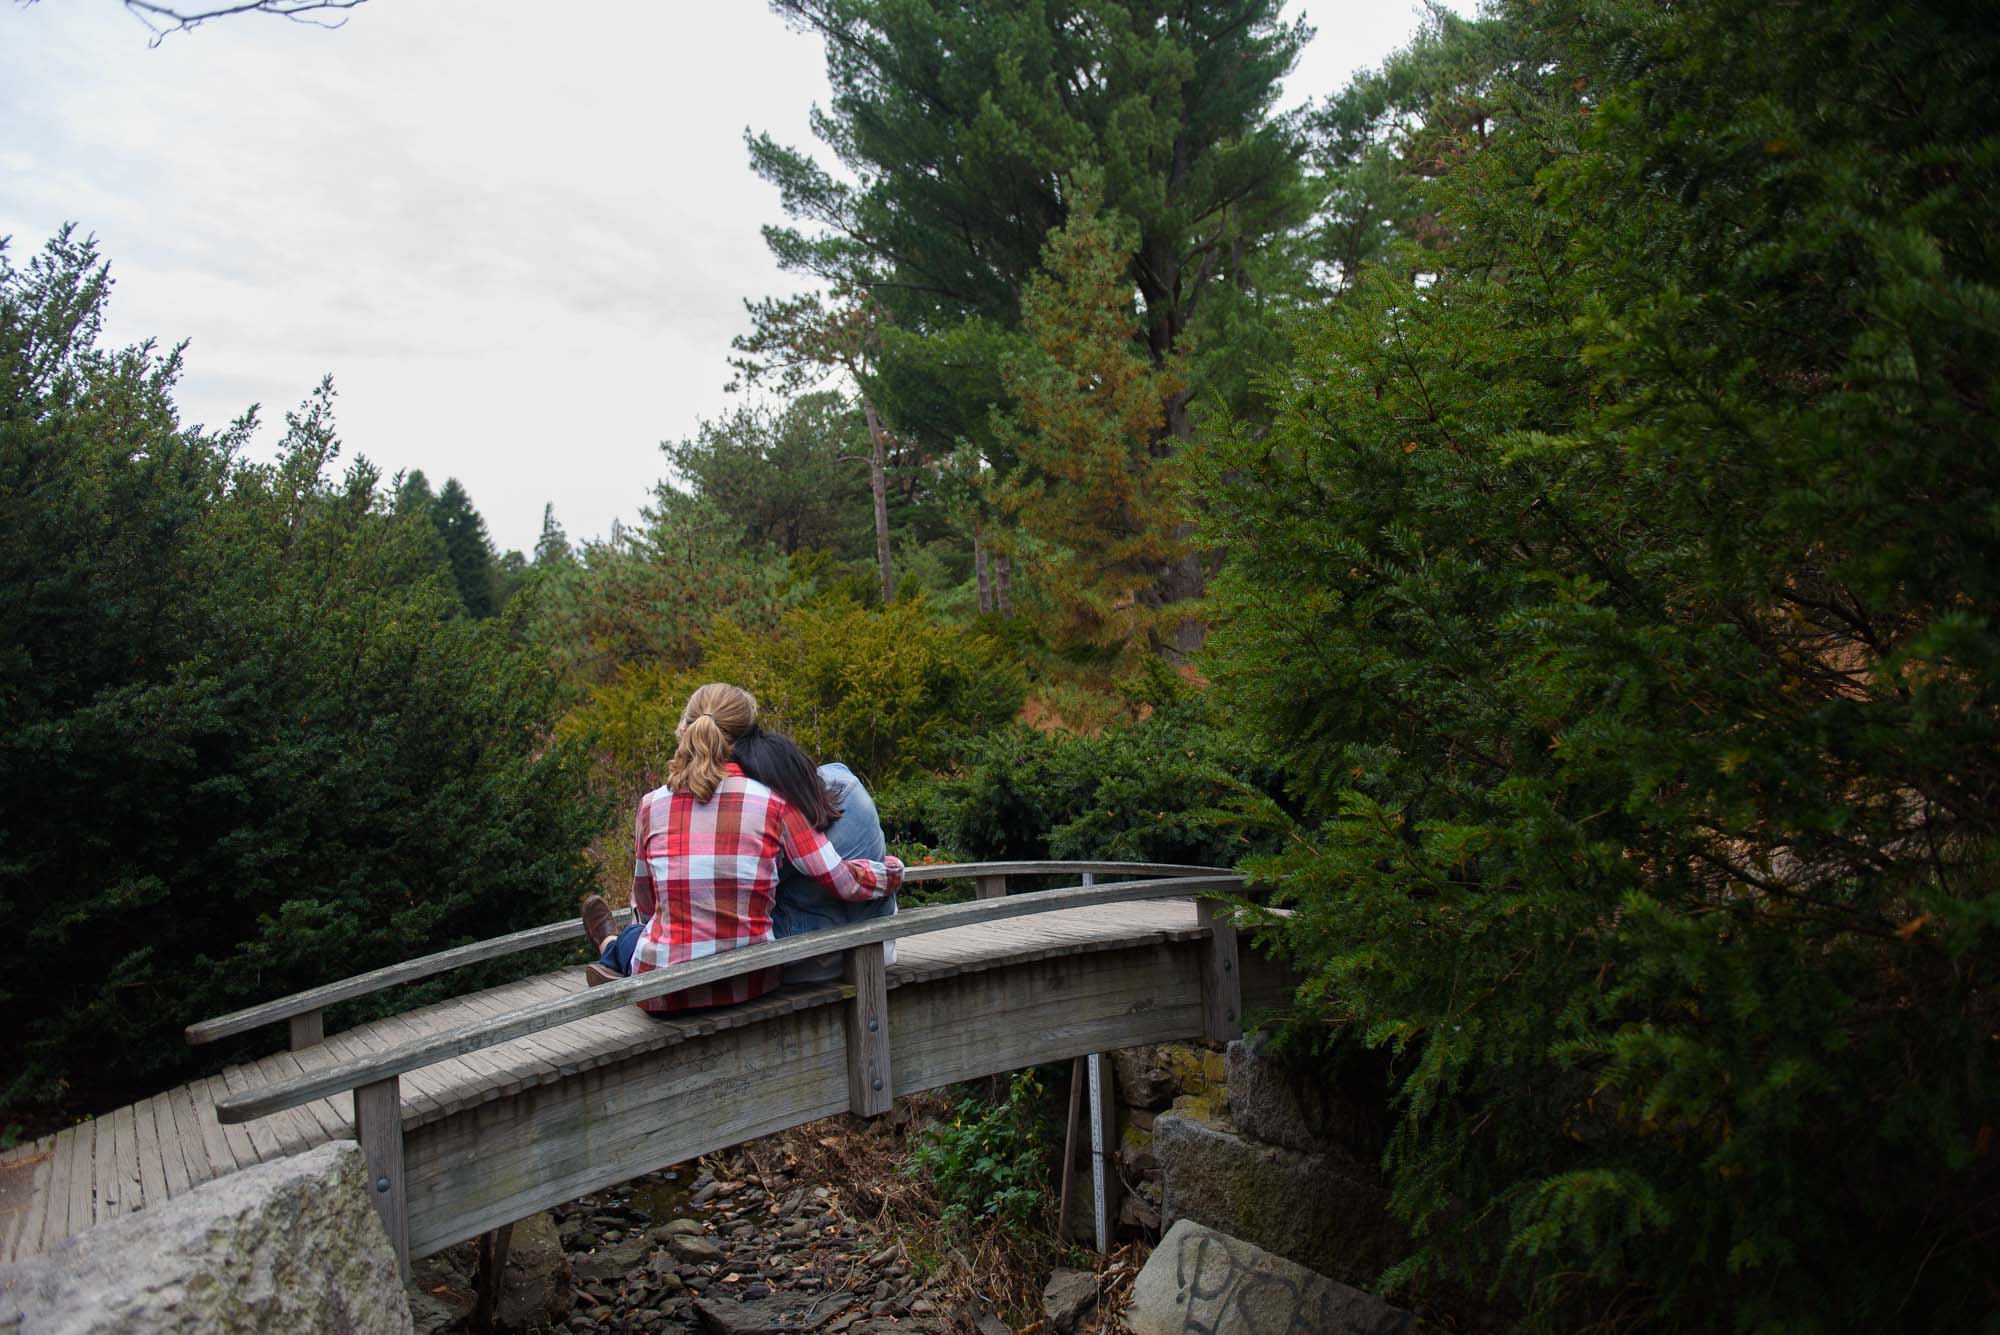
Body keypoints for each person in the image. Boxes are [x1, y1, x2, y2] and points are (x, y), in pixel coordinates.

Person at [578, 682, 901, 1012]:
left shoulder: (650, 805)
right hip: (750, 983)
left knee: (637, 934)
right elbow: (843, 881)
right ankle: (614, 946)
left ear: (684, 730)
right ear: (748, 736)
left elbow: (647, 902)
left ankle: (612, 946)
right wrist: (890, 872)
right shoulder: (775, 805)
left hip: (660, 994)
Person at [729, 728, 897, 983]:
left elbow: (845, 882)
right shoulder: (842, 779)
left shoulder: (780, 813)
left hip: (819, 960)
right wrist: (893, 870)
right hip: (879, 942)